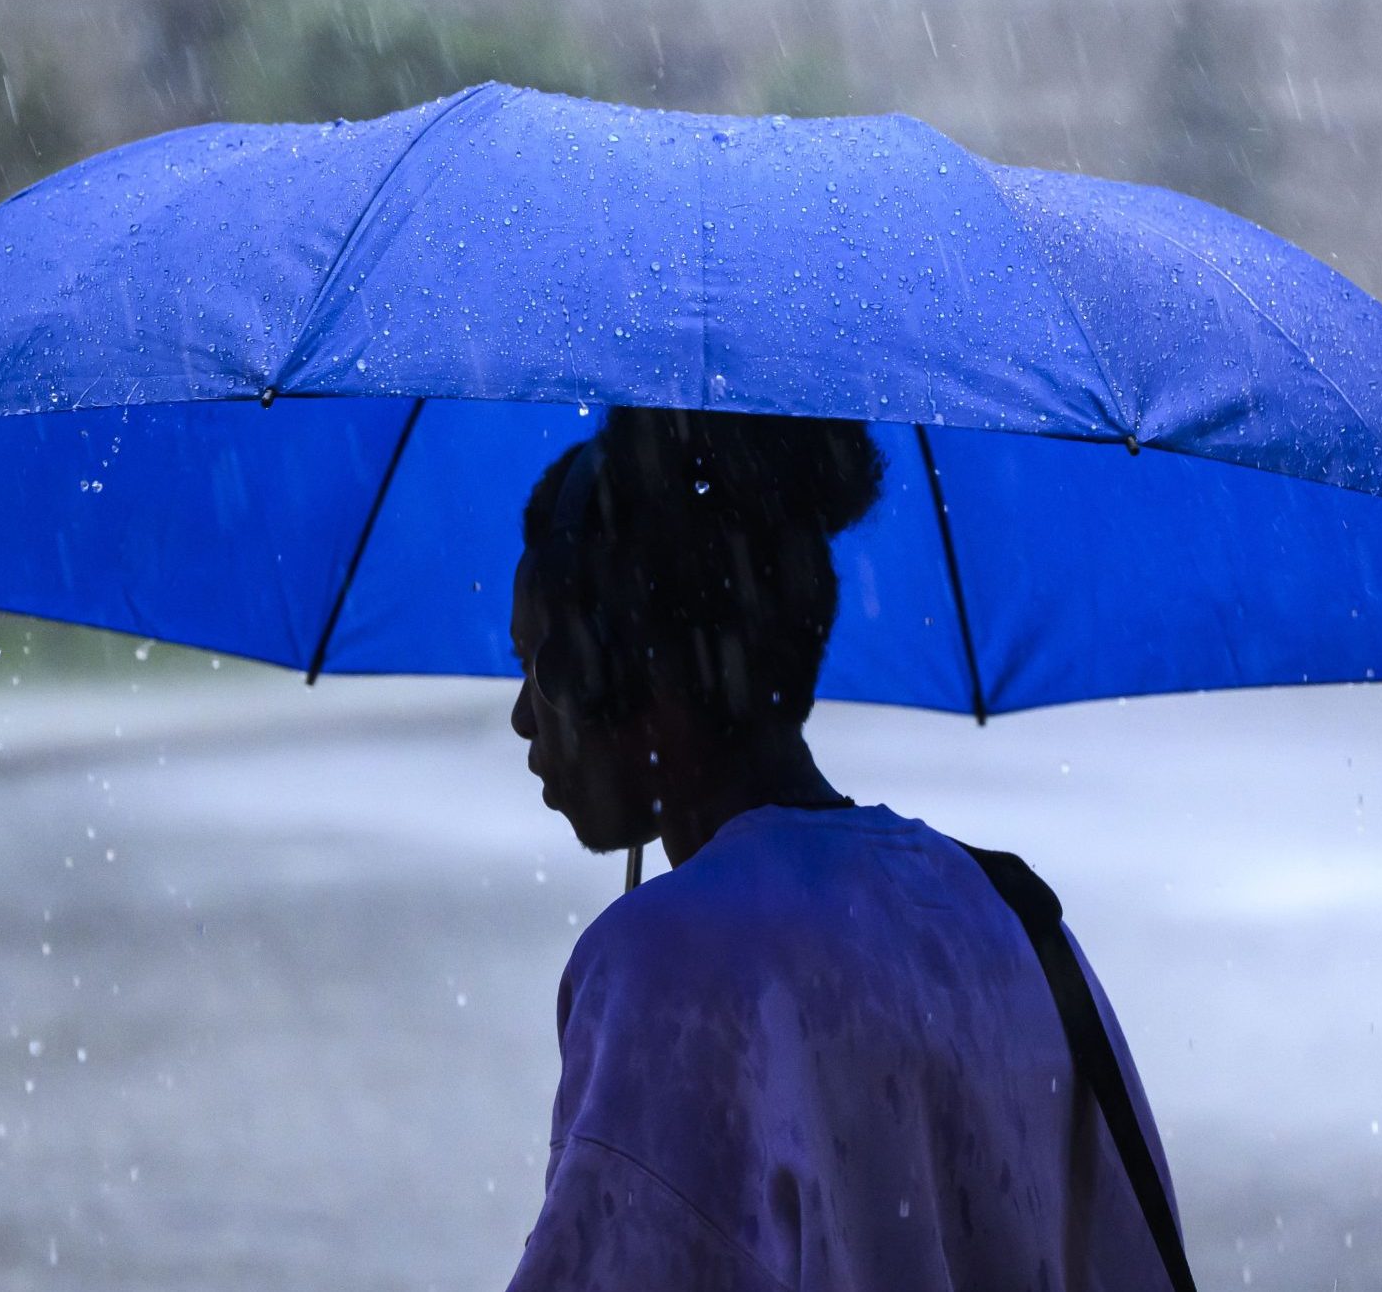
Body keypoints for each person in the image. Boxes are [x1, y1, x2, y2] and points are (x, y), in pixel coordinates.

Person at [503, 408, 1183, 1291]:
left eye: (540, 665)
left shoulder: (669, 962)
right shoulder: (1014, 915)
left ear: (623, 664)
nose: (523, 716)